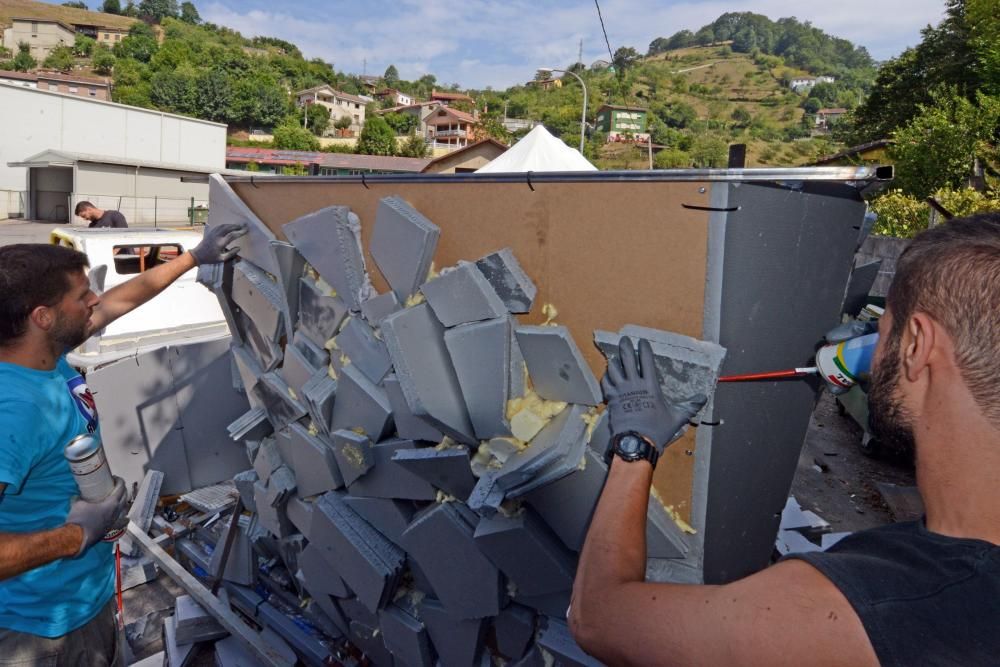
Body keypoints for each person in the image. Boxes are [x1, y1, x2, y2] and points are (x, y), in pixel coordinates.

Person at [569, 214, 1000, 666]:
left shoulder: (874, 612)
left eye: (884, 328)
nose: (872, 350)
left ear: (916, 346)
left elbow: (597, 618)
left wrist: (635, 444)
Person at [0, 222, 246, 665]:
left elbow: (119, 301)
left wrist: (195, 256)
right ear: (43, 316)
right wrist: (77, 535)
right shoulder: (13, 411)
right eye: (81, 296)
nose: (94, 299)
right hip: (37, 632)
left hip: (80, 599)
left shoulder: (44, 356)